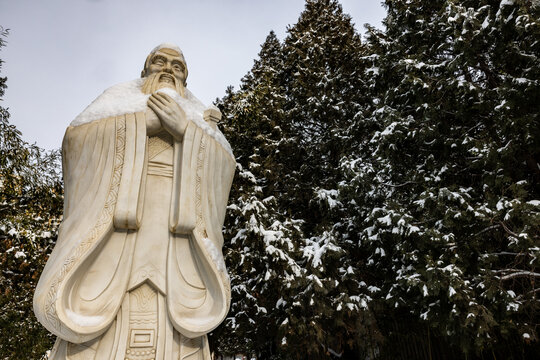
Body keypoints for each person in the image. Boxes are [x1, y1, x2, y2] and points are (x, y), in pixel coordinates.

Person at [34, 44, 235, 360]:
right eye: (160, 61)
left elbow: (225, 165)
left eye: (177, 65)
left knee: (174, 336)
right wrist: (141, 125)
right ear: (146, 68)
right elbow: (76, 139)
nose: (168, 68)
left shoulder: (198, 115)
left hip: (175, 252)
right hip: (116, 246)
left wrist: (187, 132)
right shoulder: (118, 100)